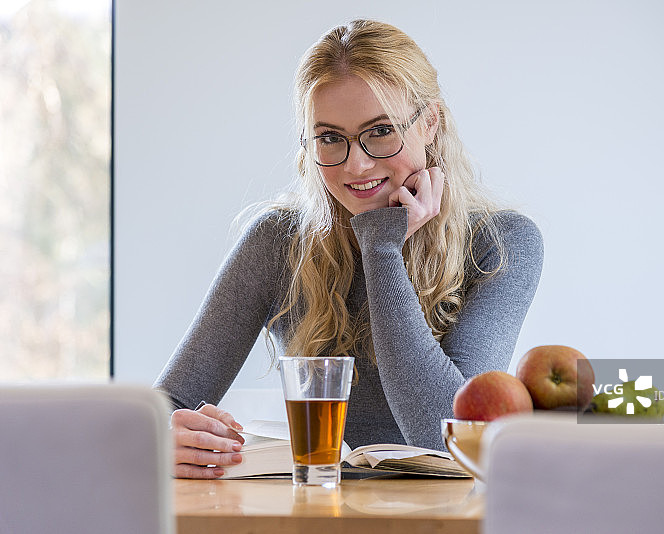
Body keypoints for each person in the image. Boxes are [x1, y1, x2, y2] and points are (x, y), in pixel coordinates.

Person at [155, 19, 544, 479]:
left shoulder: (503, 243)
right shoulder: (277, 243)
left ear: (430, 124)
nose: (356, 164)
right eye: (330, 138)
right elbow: (165, 406)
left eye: (380, 131)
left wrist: (380, 248)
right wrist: (172, 435)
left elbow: (446, 436)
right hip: (316, 513)